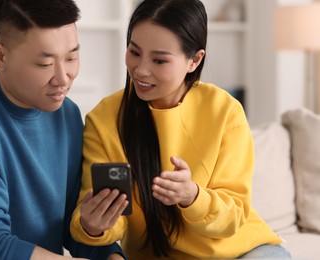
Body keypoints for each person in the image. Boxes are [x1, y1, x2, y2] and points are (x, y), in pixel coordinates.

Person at [70, 0, 292, 259]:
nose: (140, 70)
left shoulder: (225, 111)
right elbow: (109, 218)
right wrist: (93, 226)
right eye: (134, 51)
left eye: (159, 60)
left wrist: (193, 197)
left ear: (194, 60)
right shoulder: (105, 118)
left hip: (241, 252)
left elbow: (234, 217)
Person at [0, 0, 125, 259]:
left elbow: (73, 225)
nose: (63, 78)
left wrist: (106, 247)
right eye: (44, 64)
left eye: (71, 57)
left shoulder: (67, 113)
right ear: (0, 56)